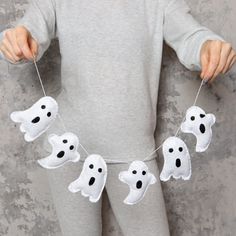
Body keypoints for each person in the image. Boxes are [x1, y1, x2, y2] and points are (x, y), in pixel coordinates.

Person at [0, 0, 235, 235]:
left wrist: (208, 47)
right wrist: (16, 41)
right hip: (68, 150)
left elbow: (191, 36)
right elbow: (28, 31)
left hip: (134, 155)